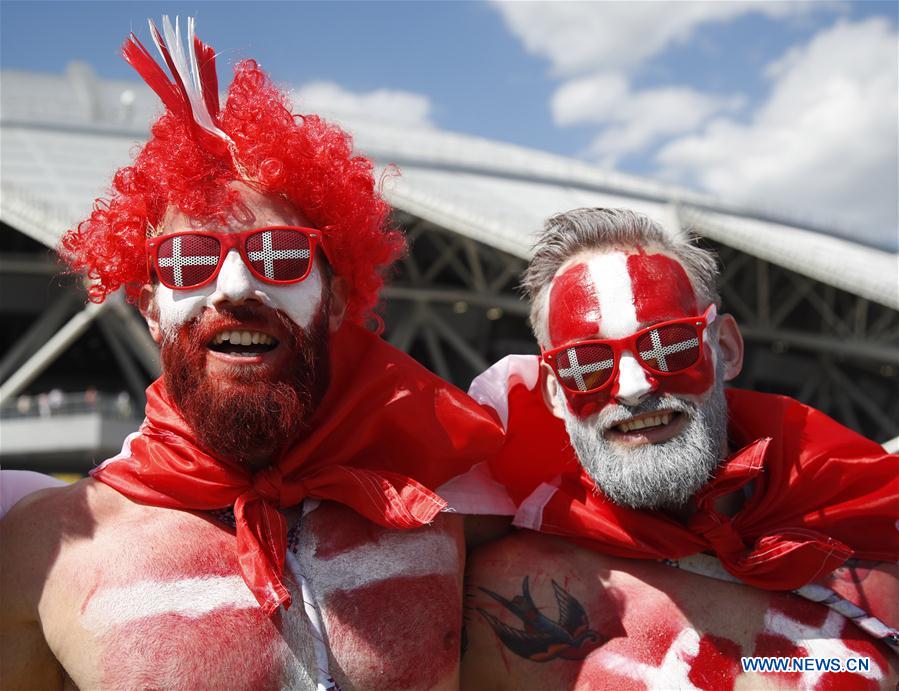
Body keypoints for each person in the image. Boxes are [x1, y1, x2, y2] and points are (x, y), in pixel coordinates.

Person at [0, 18, 501, 690]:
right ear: (148, 306)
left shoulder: (450, 515)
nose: (235, 286)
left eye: (282, 255)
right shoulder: (44, 550)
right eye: (189, 261)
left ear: (338, 296)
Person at [459, 208, 898, 689]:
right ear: (555, 395)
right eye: (586, 364)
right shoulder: (502, 592)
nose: (630, 388)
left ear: (725, 349)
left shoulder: (869, 533)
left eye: (667, 345)